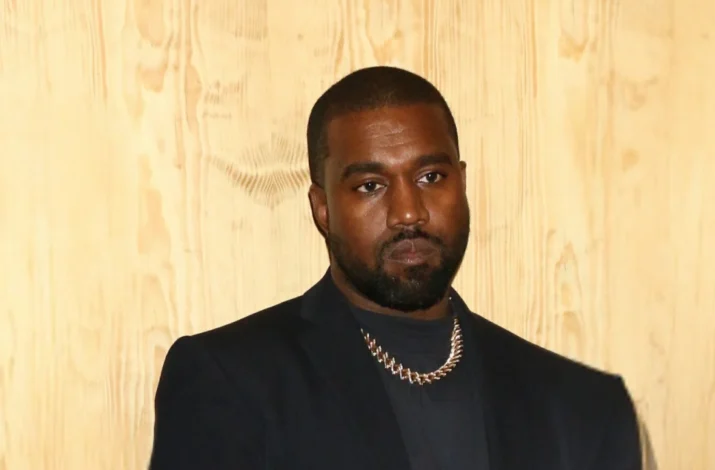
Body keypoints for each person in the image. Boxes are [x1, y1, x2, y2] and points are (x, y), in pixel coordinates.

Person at [148, 65, 643, 470]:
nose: (409, 212)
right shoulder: (231, 382)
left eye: (430, 177)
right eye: (370, 185)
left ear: (462, 184)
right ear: (323, 209)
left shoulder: (584, 407)